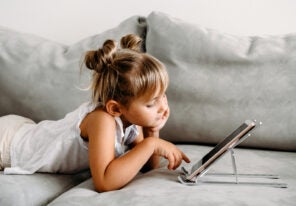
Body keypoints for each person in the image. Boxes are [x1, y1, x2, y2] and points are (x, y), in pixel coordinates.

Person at [0, 34, 190, 192]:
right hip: (9, 143)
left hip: (25, 129)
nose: (162, 106)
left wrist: (152, 131)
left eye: (162, 96)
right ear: (115, 108)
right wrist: (151, 144)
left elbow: (148, 167)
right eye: (151, 104)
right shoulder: (102, 120)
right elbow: (104, 182)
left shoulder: (131, 121)